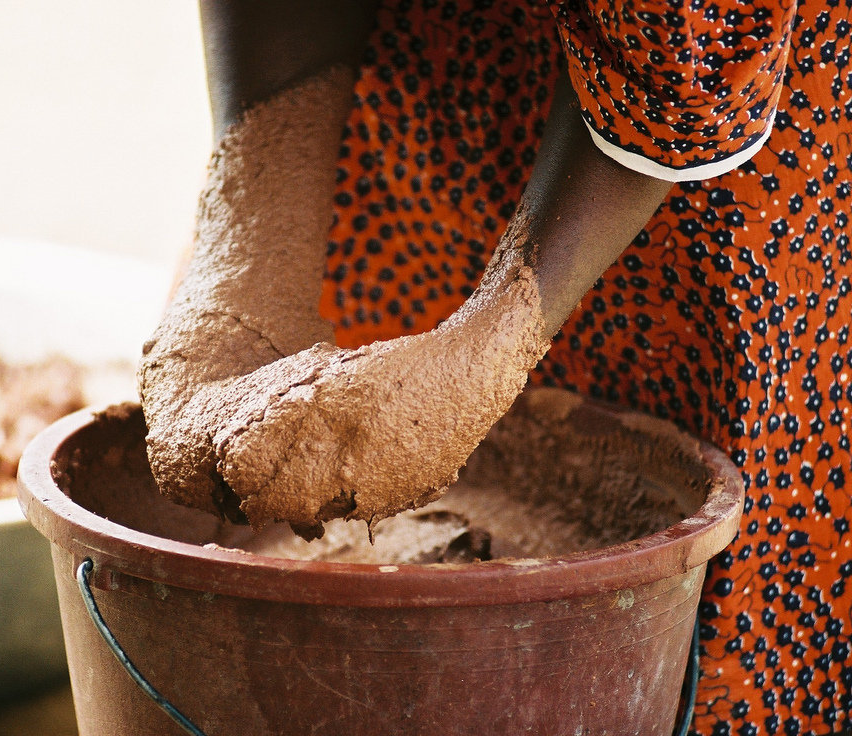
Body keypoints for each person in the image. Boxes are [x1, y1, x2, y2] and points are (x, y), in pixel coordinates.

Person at [145, 1, 852, 732]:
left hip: (697, 141)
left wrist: (496, 338)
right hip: (419, 91)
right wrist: (252, 249)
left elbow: (688, 45)